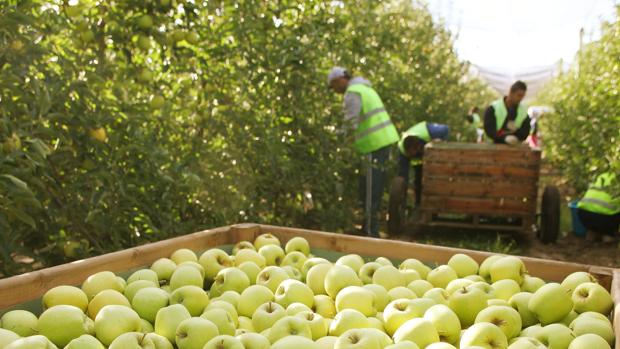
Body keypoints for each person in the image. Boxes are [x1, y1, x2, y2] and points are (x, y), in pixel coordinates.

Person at [328, 67, 399, 237]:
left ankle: (370, 232)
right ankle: (370, 228)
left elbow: (350, 124)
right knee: (373, 189)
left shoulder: (353, 93)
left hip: (372, 146)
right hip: (383, 143)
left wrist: (333, 141)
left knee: (370, 191)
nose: (335, 91)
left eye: (333, 86)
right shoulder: (366, 89)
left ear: (339, 80)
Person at [396, 121, 449, 207]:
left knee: (434, 177)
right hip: (418, 159)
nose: (416, 154)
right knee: (416, 179)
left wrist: (442, 142)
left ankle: (434, 204)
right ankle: (417, 205)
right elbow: (403, 178)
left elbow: (446, 129)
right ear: (407, 152)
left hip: (429, 138)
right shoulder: (402, 152)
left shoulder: (434, 132)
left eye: (417, 151)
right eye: (412, 154)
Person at [577, 172, 620, 242]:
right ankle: (608, 236)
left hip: (583, 214)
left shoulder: (604, 175)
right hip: (605, 218)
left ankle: (592, 233)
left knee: (595, 222)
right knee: (607, 219)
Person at [484, 81, 531, 145]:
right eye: (519, 95)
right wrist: (504, 138)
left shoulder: (523, 112)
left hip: (514, 148)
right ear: (511, 92)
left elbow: (525, 133)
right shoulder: (493, 108)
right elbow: (489, 130)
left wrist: (516, 130)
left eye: (522, 96)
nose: (520, 99)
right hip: (492, 147)